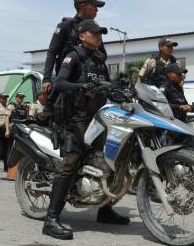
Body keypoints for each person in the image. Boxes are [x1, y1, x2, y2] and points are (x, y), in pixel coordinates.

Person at [42, 19, 128, 240]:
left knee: (108, 160)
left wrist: (118, 86)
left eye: (100, 34)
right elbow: (60, 82)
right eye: (95, 33)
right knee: (71, 163)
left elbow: (104, 84)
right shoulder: (74, 56)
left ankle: (105, 210)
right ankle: (51, 219)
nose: (99, 36)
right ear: (82, 36)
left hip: (98, 118)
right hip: (75, 119)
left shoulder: (98, 60)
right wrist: (81, 87)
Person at [42, 0, 107, 95]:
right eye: (94, 6)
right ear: (83, 6)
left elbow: (104, 55)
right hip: (66, 83)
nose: (97, 10)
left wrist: (99, 56)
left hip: (89, 84)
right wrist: (46, 79)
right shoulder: (65, 26)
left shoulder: (94, 30)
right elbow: (52, 52)